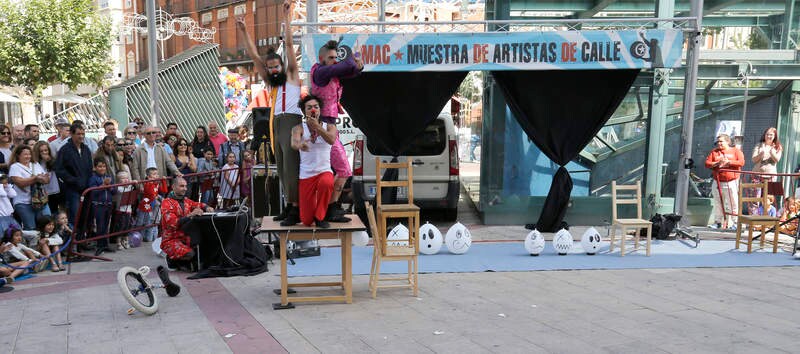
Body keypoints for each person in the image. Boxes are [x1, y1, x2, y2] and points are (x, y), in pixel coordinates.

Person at [237, 0, 302, 226]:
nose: (273, 69)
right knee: (281, 167)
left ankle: (296, 208)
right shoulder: (271, 83)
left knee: (291, 167)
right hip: (275, 123)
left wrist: (286, 18)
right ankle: (288, 206)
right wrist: (244, 31)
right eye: (270, 67)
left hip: (291, 122)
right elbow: (255, 57)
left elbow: (291, 46)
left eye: (276, 66)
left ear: (282, 66)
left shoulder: (292, 75)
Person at [310, 38, 363, 221]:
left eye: (336, 57)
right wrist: (350, 55)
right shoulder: (321, 72)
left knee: (331, 172)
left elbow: (352, 71)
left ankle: (326, 209)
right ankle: (329, 208)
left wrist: (358, 65)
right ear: (321, 58)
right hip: (323, 127)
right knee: (344, 170)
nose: (334, 61)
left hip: (328, 126)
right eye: (331, 58)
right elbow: (344, 67)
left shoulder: (327, 72)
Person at [291, 95, 337, 228]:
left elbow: (331, 140)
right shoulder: (298, 128)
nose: (313, 110)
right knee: (306, 221)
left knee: (327, 183)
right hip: (306, 175)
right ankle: (312, 217)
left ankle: (320, 217)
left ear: (320, 110)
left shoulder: (330, 126)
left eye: (316, 107)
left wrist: (317, 127)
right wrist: (300, 145)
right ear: (304, 111)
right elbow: (294, 143)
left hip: (324, 171)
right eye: (309, 107)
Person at [160, 177, 213, 267]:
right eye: (181, 186)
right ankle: (172, 260)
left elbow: (197, 204)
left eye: (185, 186)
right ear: (173, 187)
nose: (185, 188)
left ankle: (186, 263)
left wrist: (207, 207)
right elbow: (173, 223)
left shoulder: (186, 200)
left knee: (205, 247)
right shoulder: (166, 203)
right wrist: (191, 215)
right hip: (171, 240)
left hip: (185, 237)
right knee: (190, 254)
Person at [54, 123, 93, 226]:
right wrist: (72, 180)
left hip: (86, 189)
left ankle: (82, 238)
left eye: (83, 134)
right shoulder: (65, 150)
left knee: (85, 215)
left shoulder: (86, 149)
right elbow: (59, 169)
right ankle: (73, 239)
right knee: (74, 215)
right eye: (78, 134)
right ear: (71, 134)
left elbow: (89, 167)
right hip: (72, 189)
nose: (81, 136)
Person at [705, 133, 744, 229]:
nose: (719, 143)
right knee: (718, 202)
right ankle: (718, 222)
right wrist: (717, 163)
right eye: (717, 141)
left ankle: (735, 223)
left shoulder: (735, 151)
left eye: (721, 141)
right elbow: (707, 163)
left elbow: (741, 162)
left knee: (733, 202)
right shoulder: (714, 152)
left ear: (728, 142)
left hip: (731, 181)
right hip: (717, 180)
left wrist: (729, 162)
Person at [9, 145, 52, 230]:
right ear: (18, 155)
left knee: (47, 224)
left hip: (41, 201)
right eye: (25, 154)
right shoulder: (15, 167)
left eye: (29, 154)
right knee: (31, 228)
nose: (28, 156)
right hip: (24, 202)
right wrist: (36, 178)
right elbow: (20, 183)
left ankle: (46, 242)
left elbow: (46, 180)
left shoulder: (35, 164)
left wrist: (42, 178)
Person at [88, 158, 115, 256]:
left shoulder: (109, 176)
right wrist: (103, 185)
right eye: (99, 166)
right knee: (100, 226)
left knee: (106, 226)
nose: (102, 168)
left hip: (108, 204)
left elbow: (114, 191)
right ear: (95, 168)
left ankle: (105, 244)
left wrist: (110, 187)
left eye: (103, 166)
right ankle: (99, 246)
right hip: (98, 205)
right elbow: (93, 192)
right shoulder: (93, 178)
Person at [137, 167, 168, 242]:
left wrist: (163, 181)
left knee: (153, 221)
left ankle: (151, 237)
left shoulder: (156, 184)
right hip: (146, 206)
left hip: (153, 206)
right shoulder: (148, 184)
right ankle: (143, 237)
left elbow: (164, 191)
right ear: (148, 177)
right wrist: (152, 183)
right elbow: (151, 194)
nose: (157, 176)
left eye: (157, 174)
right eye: (154, 174)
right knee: (145, 222)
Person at [33, 142, 61, 216]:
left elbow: (58, 168)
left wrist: (50, 160)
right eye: (41, 151)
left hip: (53, 190)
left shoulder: (52, 160)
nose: (44, 153)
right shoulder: (35, 163)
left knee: (54, 211)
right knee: (44, 214)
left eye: (46, 150)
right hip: (41, 192)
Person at [111, 171, 136, 250]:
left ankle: (125, 240)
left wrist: (134, 182)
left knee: (127, 226)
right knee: (120, 226)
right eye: (123, 178)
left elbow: (132, 187)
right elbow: (123, 189)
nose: (126, 180)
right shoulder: (119, 188)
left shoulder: (129, 186)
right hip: (120, 210)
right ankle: (118, 241)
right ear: (118, 181)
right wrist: (130, 183)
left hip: (128, 210)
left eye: (127, 178)